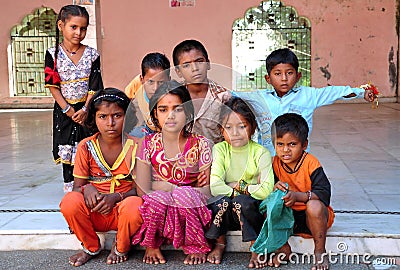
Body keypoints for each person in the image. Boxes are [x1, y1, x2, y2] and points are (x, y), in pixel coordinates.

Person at [233, 48, 375, 155]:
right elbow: (229, 95)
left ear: (298, 76)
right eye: (277, 74)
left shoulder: (308, 95)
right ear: (268, 78)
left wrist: (361, 93)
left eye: (289, 73)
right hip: (267, 159)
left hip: (298, 158)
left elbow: (336, 93)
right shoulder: (259, 98)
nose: (284, 78)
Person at [59, 88, 143, 266]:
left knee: (135, 205)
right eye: (103, 117)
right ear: (94, 119)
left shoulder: (137, 146)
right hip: (95, 211)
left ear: (127, 117)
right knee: (69, 201)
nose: (110, 123)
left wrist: (116, 197)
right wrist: (86, 188)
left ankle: (121, 246)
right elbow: (77, 187)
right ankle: (90, 246)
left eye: (117, 116)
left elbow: (141, 192)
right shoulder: (85, 146)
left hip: (123, 213)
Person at [132, 80, 213, 265]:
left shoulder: (201, 144)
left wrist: (172, 189)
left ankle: (196, 244)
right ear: (154, 113)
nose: (171, 115)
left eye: (178, 109)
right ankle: (152, 243)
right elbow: (142, 191)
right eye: (163, 109)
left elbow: (206, 191)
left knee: (185, 195)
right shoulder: (147, 144)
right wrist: (172, 188)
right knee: (155, 200)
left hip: (190, 210)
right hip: (159, 210)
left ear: (188, 112)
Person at [205, 97, 274, 268]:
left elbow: (266, 190)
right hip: (226, 211)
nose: (235, 133)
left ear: (253, 127)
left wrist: (236, 186)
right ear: (221, 130)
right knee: (220, 201)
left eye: (242, 126)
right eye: (228, 127)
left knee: (241, 201)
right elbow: (214, 186)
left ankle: (255, 246)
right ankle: (220, 243)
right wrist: (249, 188)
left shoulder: (261, 153)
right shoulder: (220, 149)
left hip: (250, 212)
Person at [44, 5, 104, 193]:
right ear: (61, 25)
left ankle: (90, 190)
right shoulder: (52, 53)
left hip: (87, 111)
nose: (79, 33)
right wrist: (67, 110)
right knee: (68, 152)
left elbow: (95, 85)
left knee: (89, 148)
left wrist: (86, 109)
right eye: (74, 27)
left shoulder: (92, 54)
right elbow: (52, 85)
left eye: (83, 28)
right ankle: (71, 193)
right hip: (64, 112)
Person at [271, 113, 334, 270]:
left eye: (292, 144)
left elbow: (324, 192)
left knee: (314, 206)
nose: (285, 150)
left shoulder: (310, 162)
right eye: (280, 144)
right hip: (288, 218)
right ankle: (282, 247)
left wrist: (299, 196)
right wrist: (273, 188)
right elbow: (267, 190)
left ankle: (320, 251)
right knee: (267, 205)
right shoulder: (274, 164)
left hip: (312, 218)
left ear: (304, 144)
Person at [172, 39, 231, 145]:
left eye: (199, 61)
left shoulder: (224, 97)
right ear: (178, 71)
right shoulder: (173, 97)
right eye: (186, 65)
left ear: (208, 64)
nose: (195, 68)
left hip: (216, 159)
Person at [125, 52, 171, 137]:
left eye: (161, 82)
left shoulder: (175, 101)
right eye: (150, 82)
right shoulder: (135, 106)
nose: (156, 88)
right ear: (142, 80)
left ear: (169, 80)